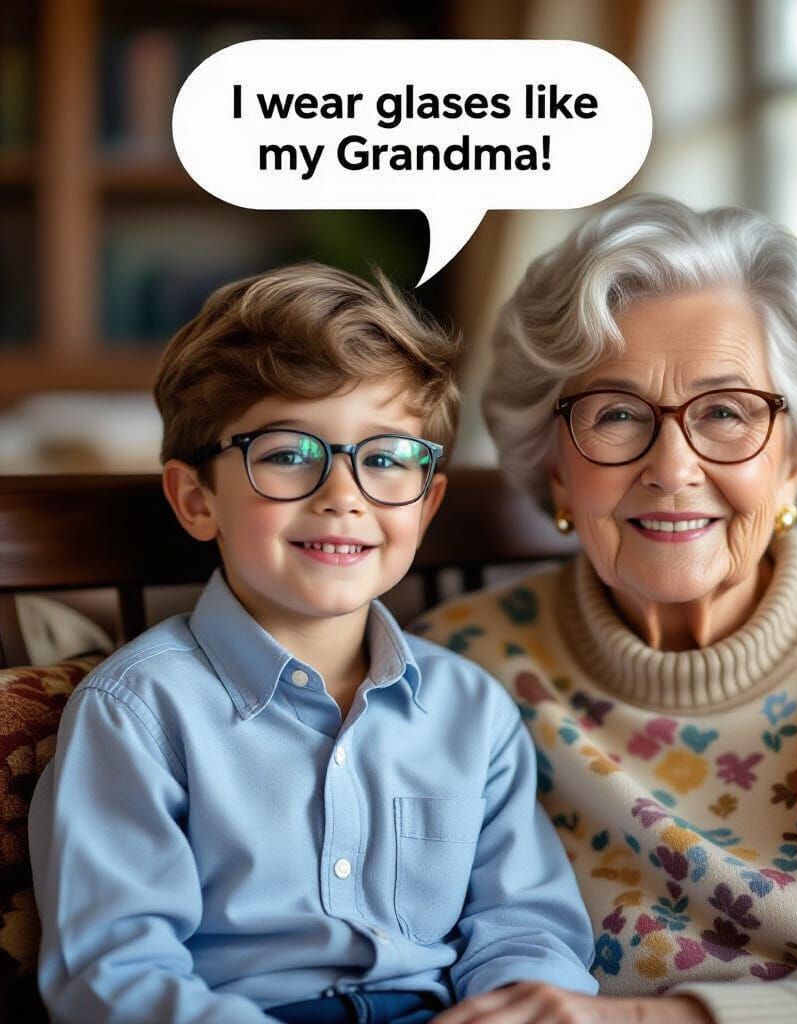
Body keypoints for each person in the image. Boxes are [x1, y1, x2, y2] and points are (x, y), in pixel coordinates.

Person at [416, 196, 797, 1024]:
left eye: (726, 412)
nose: (672, 468)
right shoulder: (452, 672)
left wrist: (651, 1021)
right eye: (617, 413)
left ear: (794, 458)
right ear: (556, 466)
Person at [28, 264, 597, 1024]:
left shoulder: (472, 710)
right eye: (288, 453)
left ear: (426, 505)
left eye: (386, 458)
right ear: (196, 499)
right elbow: (115, 972)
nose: (343, 495)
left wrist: (518, 1007)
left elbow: (524, 926)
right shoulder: (138, 711)